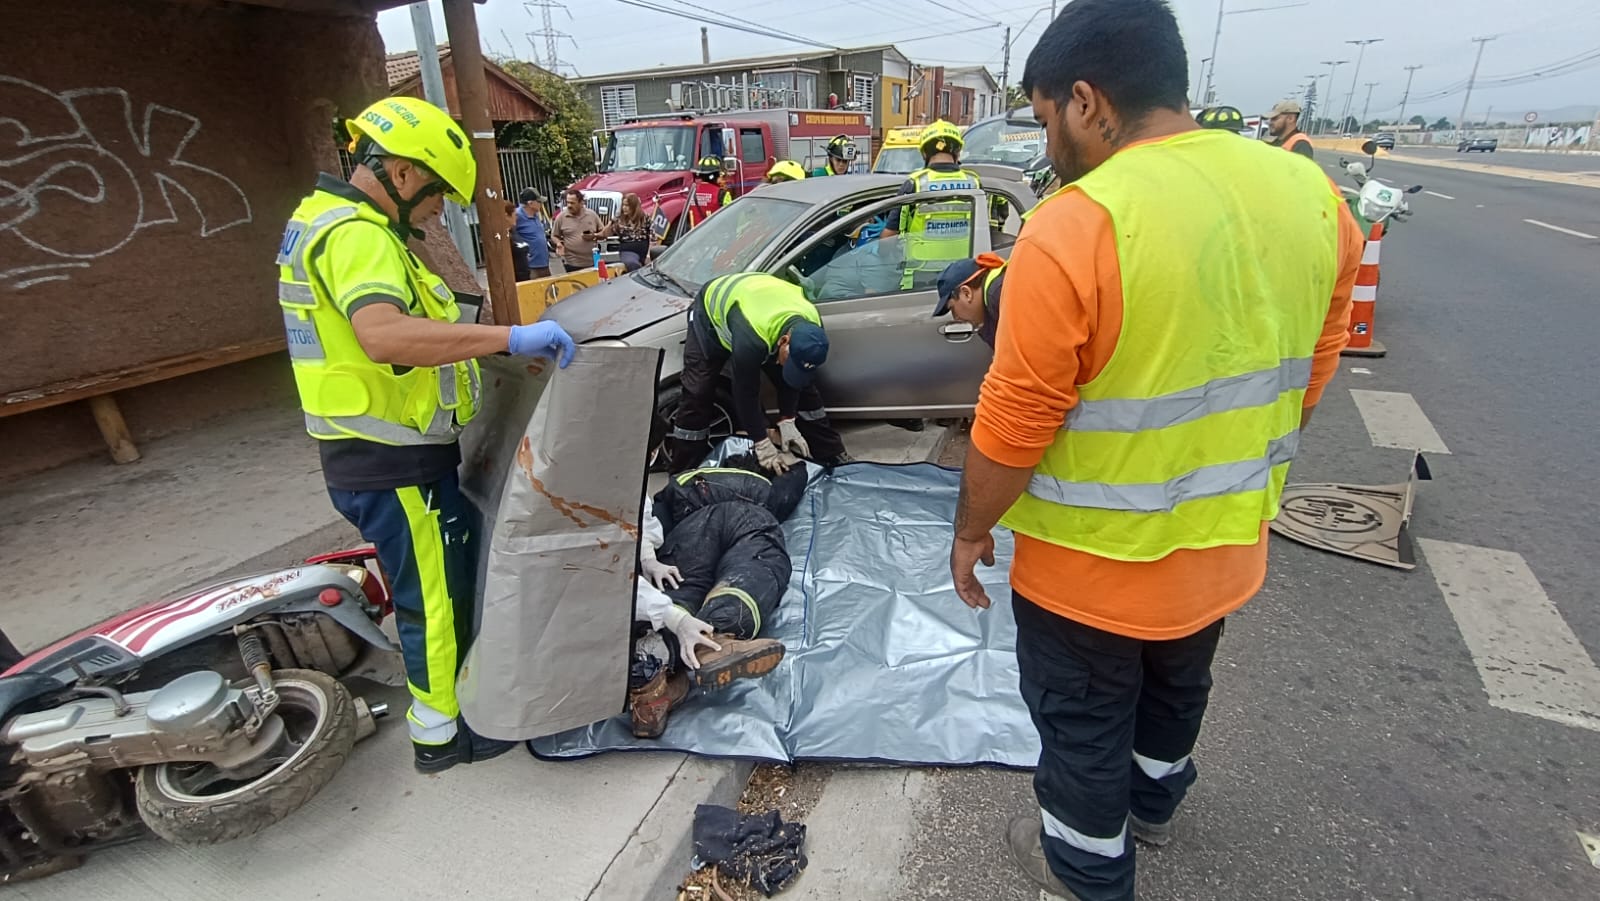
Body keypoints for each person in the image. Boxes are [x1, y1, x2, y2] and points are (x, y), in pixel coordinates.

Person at [944, 1, 1364, 898]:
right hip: (1220, 544)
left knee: (1084, 720)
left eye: (1047, 116)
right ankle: (1156, 808)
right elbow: (1315, 362)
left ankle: (1087, 873)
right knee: (1177, 687)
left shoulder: (1078, 224)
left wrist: (971, 529)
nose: (1048, 142)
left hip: (1088, 568)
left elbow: (1016, 422)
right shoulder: (1312, 196)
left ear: (1088, 102)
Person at [276, 96, 577, 774]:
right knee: (433, 601)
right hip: (390, 455)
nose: (441, 210)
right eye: (439, 193)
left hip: (377, 447)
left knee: (432, 584)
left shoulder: (316, 220)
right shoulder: (358, 235)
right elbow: (382, 334)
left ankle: (445, 710)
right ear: (406, 174)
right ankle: (444, 736)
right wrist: (510, 336)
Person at [667, 273, 849, 474]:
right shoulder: (752, 340)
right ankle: (684, 472)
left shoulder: (812, 330)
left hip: (761, 304)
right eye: (788, 360)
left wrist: (787, 419)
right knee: (698, 392)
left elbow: (794, 383)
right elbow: (745, 393)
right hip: (711, 316)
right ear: (784, 341)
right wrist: (761, 442)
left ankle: (830, 454)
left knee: (805, 388)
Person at [883, 119, 982, 287]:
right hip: (966, 276)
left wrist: (884, 260)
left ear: (924, 154)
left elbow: (888, 237)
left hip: (922, 279)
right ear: (957, 152)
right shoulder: (974, 183)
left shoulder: (915, 184)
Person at [932, 252, 1007, 349]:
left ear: (966, 293)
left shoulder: (998, 294)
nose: (956, 318)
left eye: (952, 308)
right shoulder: (990, 304)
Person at [596, 192, 652, 271]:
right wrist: (611, 222)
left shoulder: (645, 218)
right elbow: (605, 234)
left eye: (627, 205)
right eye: (623, 205)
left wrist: (649, 255)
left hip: (644, 250)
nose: (624, 208)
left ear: (634, 206)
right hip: (627, 250)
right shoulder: (619, 219)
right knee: (632, 264)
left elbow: (653, 238)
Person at [552, 188, 603, 271]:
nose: (569, 205)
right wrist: (559, 244)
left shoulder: (592, 215)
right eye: (567, 202)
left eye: (572, 203)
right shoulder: (561, 217)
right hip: (572, 263)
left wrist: (594, 236)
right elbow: (554, 235)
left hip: (592, 261)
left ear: (581, 203)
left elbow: (603, 233)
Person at [513, 188, 552, 278]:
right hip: (531, 266)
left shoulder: (535, 215)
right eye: (539, 202)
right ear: (530, 203)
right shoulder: (517, 216)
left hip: (543, 263)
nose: (541, 204)